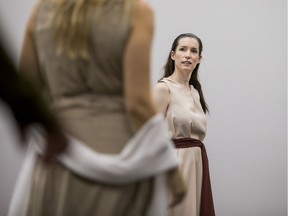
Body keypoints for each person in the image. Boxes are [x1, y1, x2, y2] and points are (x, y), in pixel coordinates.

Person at [8, 0, 186, 215]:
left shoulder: (42, 11)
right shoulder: (137, 12)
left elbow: (29, 90)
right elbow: (137, 105)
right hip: (120, 161)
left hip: (57, 157)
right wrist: (171, 170)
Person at [153, 33, 215, 216]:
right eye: (183, 49)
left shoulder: (195, 92)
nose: (188, 55)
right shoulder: (163, 88)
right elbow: (150, 136)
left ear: (199, 59)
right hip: (174, 164)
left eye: (193, 51)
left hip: (197, 162)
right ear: (173, 55)